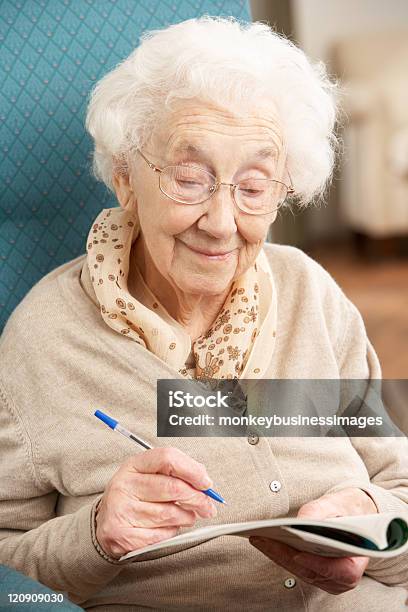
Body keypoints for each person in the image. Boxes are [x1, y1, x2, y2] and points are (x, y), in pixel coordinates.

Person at [0, 16, 407, 611]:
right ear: (123, 175)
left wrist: (373, 525)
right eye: (190, 180)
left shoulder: (309, 293)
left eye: (253, 185)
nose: (220, 223)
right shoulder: (46, 339)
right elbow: (11, 580)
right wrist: (95, 537)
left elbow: (400, 485)